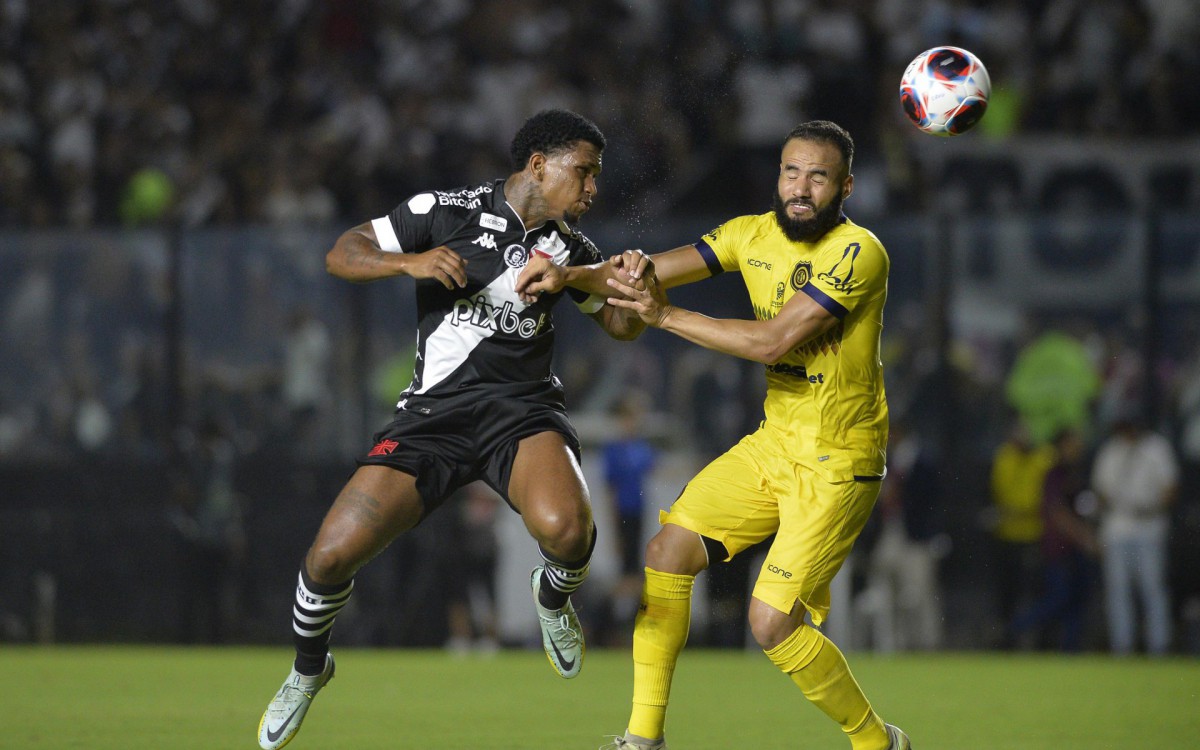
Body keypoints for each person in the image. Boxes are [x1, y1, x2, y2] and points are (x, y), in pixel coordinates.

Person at [257, 109, 645, 750]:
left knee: (570, 531)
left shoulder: (573, 249)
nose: (593, 189)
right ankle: (308, 670)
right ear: (539, 165)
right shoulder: (445, 209)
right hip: (431, 418)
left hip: (522, 413)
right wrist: (404, 264)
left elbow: (620, 326)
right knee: (328, 557)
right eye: (585, 172)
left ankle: (552, 599)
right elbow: (342, 253)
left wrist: (635, 292)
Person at [518, 120, 909, 750]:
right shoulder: (746, 234)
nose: (801, 187)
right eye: (791, 171)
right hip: (773, 444)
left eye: (818, 175)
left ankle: (877, 742)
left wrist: (664, 315)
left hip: (839, 461)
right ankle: (643, 739)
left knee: (770, 622)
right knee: (666, 553)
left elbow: (774, 340)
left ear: (845, 186)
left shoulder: (858, 252)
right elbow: (643, 274)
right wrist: (572, 278)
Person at [1091, 409, 1179, 655]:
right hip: (1117, 525)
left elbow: (1170, 486)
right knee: (1118, 590)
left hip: (1149, 525)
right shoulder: (1111, 449)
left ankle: (1158, 645)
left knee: (1152, 588)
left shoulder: (1156, 448)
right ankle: (1123, 646)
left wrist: (1154, 507)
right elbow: (1100, 489)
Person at [1005, 428, 1098, 651]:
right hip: (1059, 547)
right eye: (1072, 443)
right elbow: (1057, 513)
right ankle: (1014, 629)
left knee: (1077, 601)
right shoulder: (1055, 473)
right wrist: (1085, 537)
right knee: (1059, 598)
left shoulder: (1077, 471)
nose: (1077, 447)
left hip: (1076, 548)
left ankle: (1070, 649)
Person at [988, 420, 1056, 647]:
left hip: (1037, 536)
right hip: (1008, 535)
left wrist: (1024, 509)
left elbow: (1043, 496)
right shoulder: (1005, 457)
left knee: (1039, 593)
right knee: (1008, 594)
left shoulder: (1045, 457)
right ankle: (1009, 638)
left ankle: (1040, 641)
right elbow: (1002, 493)